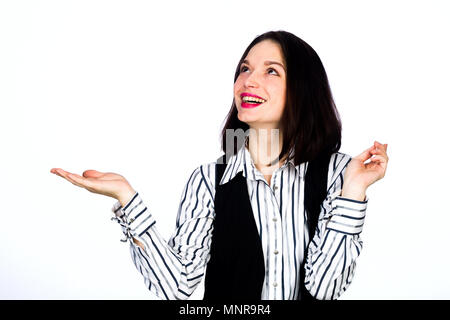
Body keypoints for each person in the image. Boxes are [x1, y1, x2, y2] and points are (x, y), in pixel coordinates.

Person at [50, 30, 389, 300]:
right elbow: (178, 285)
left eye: (271, 70)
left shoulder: (339, 175)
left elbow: (326, 288)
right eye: (244, 69)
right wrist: (127, 197)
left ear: (302, 88)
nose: (248, 81)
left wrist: (355, 191)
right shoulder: (208, 180)